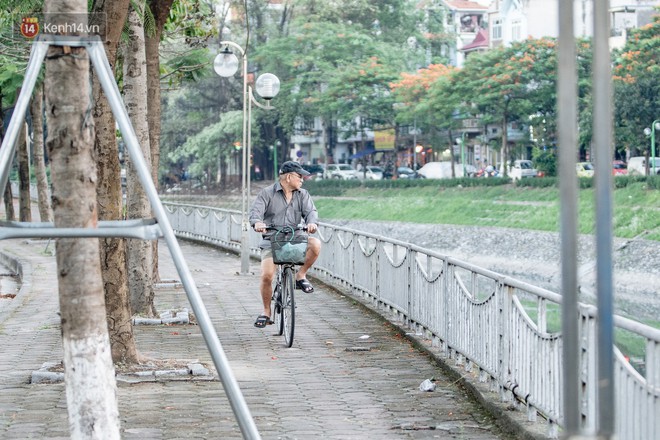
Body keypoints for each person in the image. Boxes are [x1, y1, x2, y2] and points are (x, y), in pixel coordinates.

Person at [249, 161, 321, 328]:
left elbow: (311, 212)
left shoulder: (303, 195)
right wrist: (258, 223)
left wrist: (312, 223)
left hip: (296, 238)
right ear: (288, 177)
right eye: (299, 176)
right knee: (267, 276)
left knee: (315, 244)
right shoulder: (266, 194)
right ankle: (266, 311)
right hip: (272, 240)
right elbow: (255, 213)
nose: (302, 180)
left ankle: (300, 276)